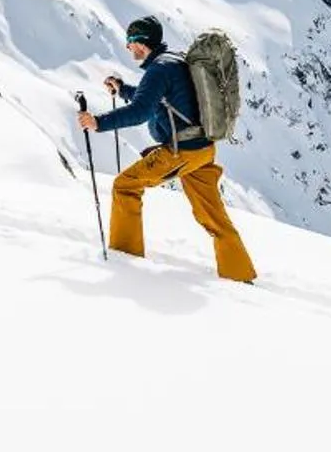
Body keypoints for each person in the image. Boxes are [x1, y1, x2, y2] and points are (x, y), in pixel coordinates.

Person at [76, 16, 257, 283]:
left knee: (125, 185)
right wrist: (123, 88)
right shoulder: (172, 61)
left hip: (181, 152)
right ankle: (239, 274)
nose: (128, 47)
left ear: (142, 43)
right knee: (213, 216)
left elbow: (141, 110)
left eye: (131, 42)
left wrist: (98, 123)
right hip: (203, 150)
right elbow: (158, 97)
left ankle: (124, 260)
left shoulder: (158, 70)